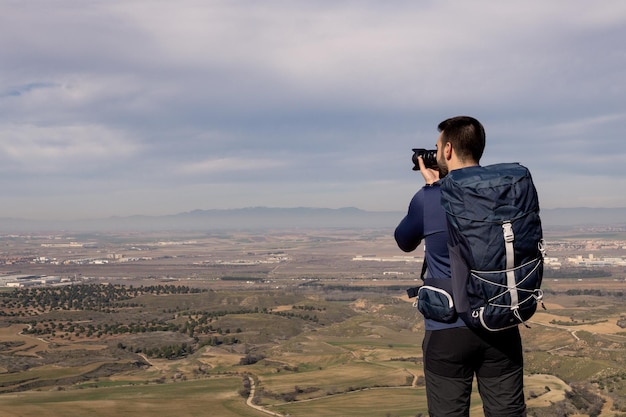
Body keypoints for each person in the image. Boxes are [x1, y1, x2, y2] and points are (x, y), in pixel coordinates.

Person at [394, 116, 526, 417]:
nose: (436, 153)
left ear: (449, 149)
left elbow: (404, 240)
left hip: (447, 328)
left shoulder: (429, 198)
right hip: (500, 323)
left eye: (438, 147)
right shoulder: (507, 193)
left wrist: (431, 190)